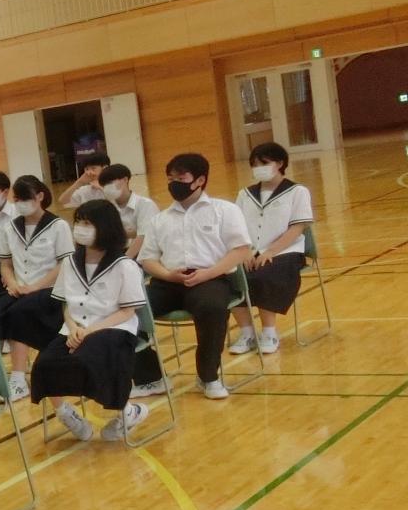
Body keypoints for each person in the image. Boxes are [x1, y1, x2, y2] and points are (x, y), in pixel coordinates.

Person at [130, 153, 253, 401]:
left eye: (181, 177)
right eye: (171, 178)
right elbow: (148, 259)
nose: (175, 182)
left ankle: (208, 377)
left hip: (211, 278)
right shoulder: (159, 220)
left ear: (199, 180)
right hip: (168, 281)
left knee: (212, 308)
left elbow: (241, 250)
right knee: (128, 311)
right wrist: (168, 275)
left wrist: (208, 273)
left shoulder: (224, 210)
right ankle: (151, 377)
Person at [30, 200, 150, 442]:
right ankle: (65, 413)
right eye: (77, 222)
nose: (79, 228)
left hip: (114, 328)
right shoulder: (70, 262)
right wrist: (73, 327)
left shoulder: (124, 265)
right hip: (74, 328)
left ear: (104, 228)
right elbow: (65, 303)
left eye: (86, 223)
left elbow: (127, 311)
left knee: (89, 360)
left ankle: (129, 412)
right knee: (44, 364)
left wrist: (90, 331)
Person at [0, 175, 74, 400]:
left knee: (20, 313)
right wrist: (11, 283)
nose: (20, 203)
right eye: (17, 198)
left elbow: (64, 264)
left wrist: (36, 286)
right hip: (19, 288)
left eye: (25, 198)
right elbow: (5, 263)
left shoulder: (58, 226)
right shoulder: (10, 227)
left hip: (49, 290)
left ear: (39, 196)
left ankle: (18, 379)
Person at [232, 141, 313, 356]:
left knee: (266, 274)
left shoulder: (297, 192)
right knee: (230, 274)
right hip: (250, 251)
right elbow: (237, 227)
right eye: (255, 164)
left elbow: (297, 228)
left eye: (264, 163)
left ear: (280, 163)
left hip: (285, 252)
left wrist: (270, 252)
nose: (258, 168)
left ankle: (269, 332)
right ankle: (247, 332)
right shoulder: (245, 194)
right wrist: (246, 251)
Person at [97, 164, 160, 258]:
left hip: (144, 255)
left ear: (125, 180)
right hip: (118, 253)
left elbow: (143, 237)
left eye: (110, 182)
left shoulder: (145, 204)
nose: (107, 187)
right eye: (104, 185)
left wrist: (124, 260)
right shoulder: (107, 207)